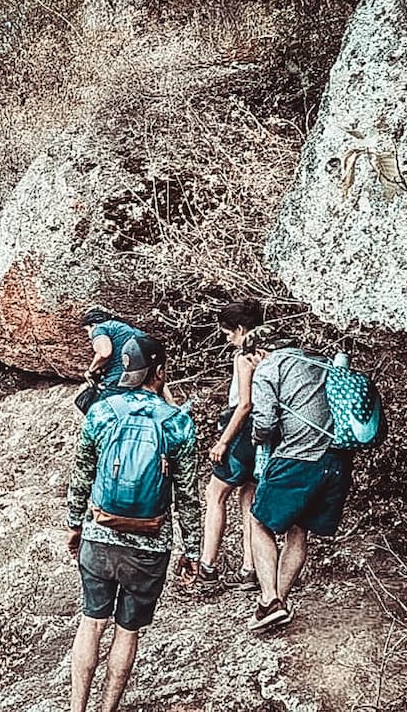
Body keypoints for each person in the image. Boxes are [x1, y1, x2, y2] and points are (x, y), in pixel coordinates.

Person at [66, 335, 200, 712]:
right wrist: (191, 550)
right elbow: (187, 495)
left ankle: (77, 709)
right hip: (150, 544)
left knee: (92, 622)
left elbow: (82, 475)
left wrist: (75, 523)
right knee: (127, 630)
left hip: (99, 535)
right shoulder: (178, 424)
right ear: (160, 371)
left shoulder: (102, 412)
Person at [246, 328, 354, 630]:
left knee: (260, 522)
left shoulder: (269, 366)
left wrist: (256, 439)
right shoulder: (322, 362)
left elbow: (265, 425)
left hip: (298, 459)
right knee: (299, 529)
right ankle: (277, 602)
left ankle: (269, 598)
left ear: (260, 351)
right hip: (337, 461)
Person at [198, 300, 271, 590]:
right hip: (264, 435)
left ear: (240, 329)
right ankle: (249, 569)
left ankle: (207, 568)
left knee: (214, 494)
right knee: (248, 500)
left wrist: (222, 442)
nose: (228, 339)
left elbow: (244, 405)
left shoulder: (245, 356)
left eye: (228, 333)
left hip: (242, 433)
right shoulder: (271, 353)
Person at [81, 307, 146, 399]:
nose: (88, 335)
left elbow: (104, 353)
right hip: (144, 381)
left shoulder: (99, 328)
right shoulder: (133, 331)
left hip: (119, 380)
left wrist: (91, 371)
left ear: (92, 324)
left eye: (87, 330)